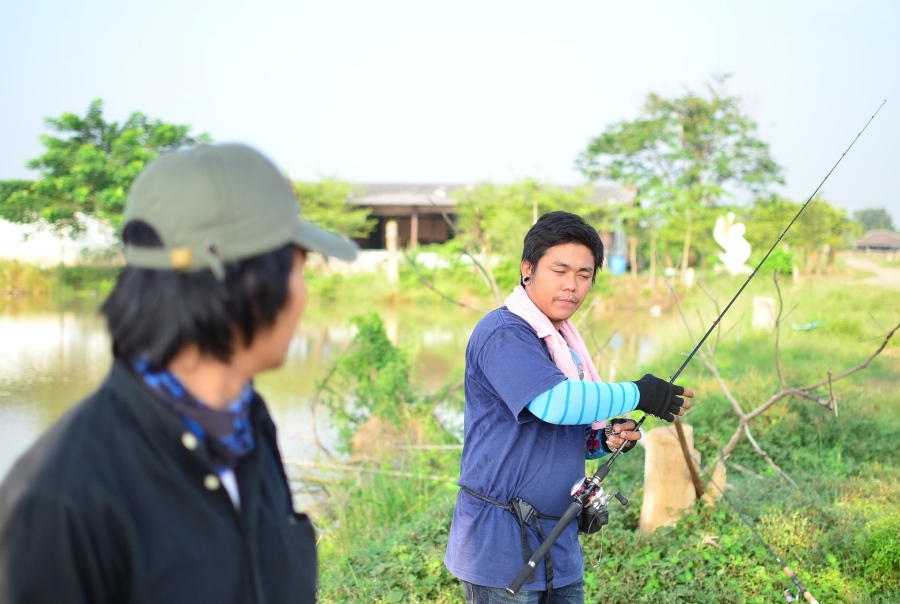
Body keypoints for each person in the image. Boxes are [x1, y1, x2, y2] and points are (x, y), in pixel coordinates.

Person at [0, 143, 358, 603]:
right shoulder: (60, 499)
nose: (305, 295)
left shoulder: (248, 425)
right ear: (248, 282)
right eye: (299, 270)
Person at [444, 211, 694, 604]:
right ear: (528, 269)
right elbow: (555, 404)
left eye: (584, 274)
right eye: (559, 270)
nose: (572, 286)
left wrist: (605, 438)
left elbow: (570, 434)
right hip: (500, 548)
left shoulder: (564, 343)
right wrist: (639, 393)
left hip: (558, 544)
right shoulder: (504, 333)